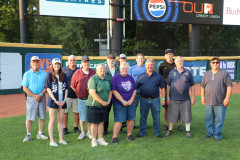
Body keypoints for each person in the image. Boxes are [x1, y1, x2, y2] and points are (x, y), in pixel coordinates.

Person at [201, 57, 232, 141]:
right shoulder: (206, 74)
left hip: (220, 102)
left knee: (219, 119)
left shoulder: (225, 74)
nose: (215, 64)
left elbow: (229, 87)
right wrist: (202, 97)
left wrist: (227, 98)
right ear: (210, 64)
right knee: (208, 119)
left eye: (217, 62)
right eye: (213, 62)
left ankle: (218, 135)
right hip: (209, 101)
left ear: (219, 63)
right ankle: (210, 133)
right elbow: (202, 87)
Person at [165, 56, 195, 138]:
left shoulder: (188, 72)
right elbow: (168, 85)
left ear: (183, 62)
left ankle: (187, 131)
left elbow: (192, 85)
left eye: (181, 61)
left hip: (185, 99)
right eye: (178, 61)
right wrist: (168, 97)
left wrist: (193, 97)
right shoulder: (172, 72)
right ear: (175, 63)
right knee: (172, 115)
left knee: (187, 114)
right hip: (173, 98)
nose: (179, 63)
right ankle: (170, 130)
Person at [135, 58, 166, 138]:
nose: (150, 66)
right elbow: (135, 88)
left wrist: (163, 99)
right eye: (148, 65)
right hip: (143, 100)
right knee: (143, 118)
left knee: (156, 118)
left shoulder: (158, 76)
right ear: (145, 66)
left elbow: (162, 87)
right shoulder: (141, 76)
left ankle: (157, 133)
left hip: (155, 100)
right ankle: (142, 133)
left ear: (153, 66)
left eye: (151, 65)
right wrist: (134, 98)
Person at [22, 56, 48, 142]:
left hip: (42, 97)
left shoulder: (44, 74)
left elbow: (46, 87)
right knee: (29, 117)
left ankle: (40, 133)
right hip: (31, 98)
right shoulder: (27, 74)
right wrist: (34, 96)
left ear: (39, 63)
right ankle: (28, 134)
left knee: (42, 116)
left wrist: (40, 95)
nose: (35, 63)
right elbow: (25, 88)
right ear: (31, 63)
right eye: (34, 62)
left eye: (37, 62)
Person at [86, 63, 112, 147]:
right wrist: (102, 102)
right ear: (96, 70)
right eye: (100, 68)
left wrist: (108, 100)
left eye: (104, 68)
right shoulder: (93, 79)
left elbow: (110, 91)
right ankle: (94, 139)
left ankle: (100, 139)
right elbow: (92, 93)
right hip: (94, 105)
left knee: (101, 122)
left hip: (104, 105)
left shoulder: (106, 79)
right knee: (94, 123)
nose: (102, 70)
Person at [111, 62, 137, 144]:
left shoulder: (131, 78)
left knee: (131, 119)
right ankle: (114, 137)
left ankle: (129, 135)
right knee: (119, 120)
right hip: (119, 103)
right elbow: (114, 91)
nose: (124, 70)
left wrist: (131, 100)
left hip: (130, 102)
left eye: (126, 69)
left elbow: (135, 89)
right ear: (119, 69)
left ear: (128, 69)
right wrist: (123, 101)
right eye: (123, 68)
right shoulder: (115, 78)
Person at [45, 58, 68, 146]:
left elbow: (66, 89)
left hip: (62, 101)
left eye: (58, 64)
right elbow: (48, 89)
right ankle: (52, 141)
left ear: (60, 65)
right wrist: (55, 100)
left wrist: (64, 100)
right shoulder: (49, 75)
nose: (57, 65)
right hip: (53, 101)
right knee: (52, 120)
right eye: (55, 64)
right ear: (52, 65)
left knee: (61, 120)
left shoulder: (64, 75)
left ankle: (61, 139)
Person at [71, 56, 96, 140]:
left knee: (90, 116)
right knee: (82, 116)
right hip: (81, 99)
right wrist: (78, 92)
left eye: (88, 62)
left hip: (91, 99)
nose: (86, 63)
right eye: (85, 62)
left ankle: (89, 132)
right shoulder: (77, 72)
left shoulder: (93, 72)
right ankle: (82, 132)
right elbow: (72, 85)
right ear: (81, 63)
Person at [159, 49, 184, 131]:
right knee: (166, 107)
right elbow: (160, 78)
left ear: (173, 55)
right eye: (167, 54)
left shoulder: (177, 63)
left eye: (170, 54)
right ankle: (165, 124)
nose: (169, 56)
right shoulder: (162, 65)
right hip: (166, 89)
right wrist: (162, 90)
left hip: (177, 89)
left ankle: (180, 124)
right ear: (165, 56)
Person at [62, 55, 80, 135]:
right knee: (65, 112)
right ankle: (64, 128)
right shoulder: (63, 69)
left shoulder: (79, 70)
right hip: (66, 95)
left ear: (76, 61)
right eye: (71, 60)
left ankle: (76, 128)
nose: (72, 61)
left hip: (76, 95)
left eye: (73, 60)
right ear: (68, 61)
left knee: (76, 112)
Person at [128, 53, 146, 128]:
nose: (140, 60)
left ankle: (143, 124)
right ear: (136, 59)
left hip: (145, 92)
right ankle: (133, 124)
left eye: (142, 58)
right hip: (134, 92)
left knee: (144, 110)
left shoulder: (146, 67)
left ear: (144, 60)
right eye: (139, 58)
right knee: (133, 109)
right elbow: (128, 80)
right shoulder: (132, 68)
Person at [104, 54, 120, 135]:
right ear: (107, 60)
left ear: (115, 60)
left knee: (119, 112)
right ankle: (104, 129)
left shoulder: (119, 70)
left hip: (117, 95)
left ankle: (120, 129)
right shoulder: (104, 70)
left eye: (113, 59)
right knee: (106, 113)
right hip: (107, 95)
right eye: (110, 59)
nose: (111, 61)